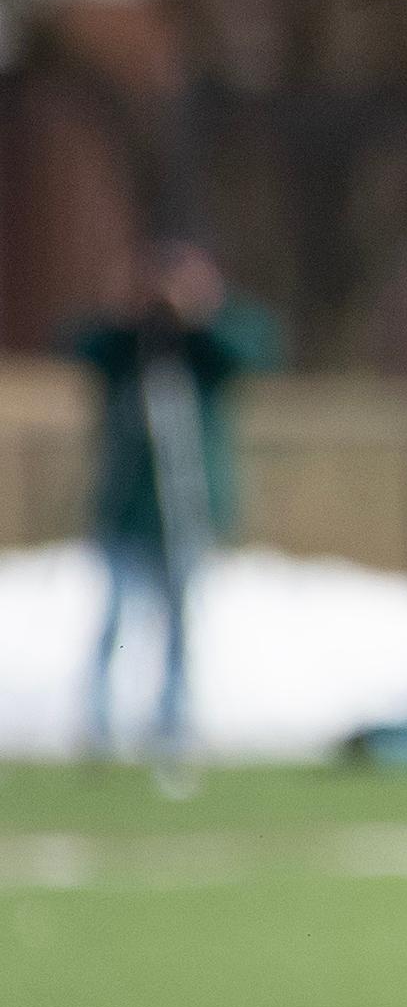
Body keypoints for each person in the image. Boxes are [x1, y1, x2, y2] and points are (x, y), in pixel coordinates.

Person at [69, 239, 274, 785]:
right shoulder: (127, 343)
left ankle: (174, 725)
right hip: (128, 511)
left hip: (189, 510)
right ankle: (98, 727)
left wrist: (201, 312)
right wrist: (126, 307)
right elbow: (79, 346)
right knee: (112, 621)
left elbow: (254, 352)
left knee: (182, 626)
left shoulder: (204, 345)